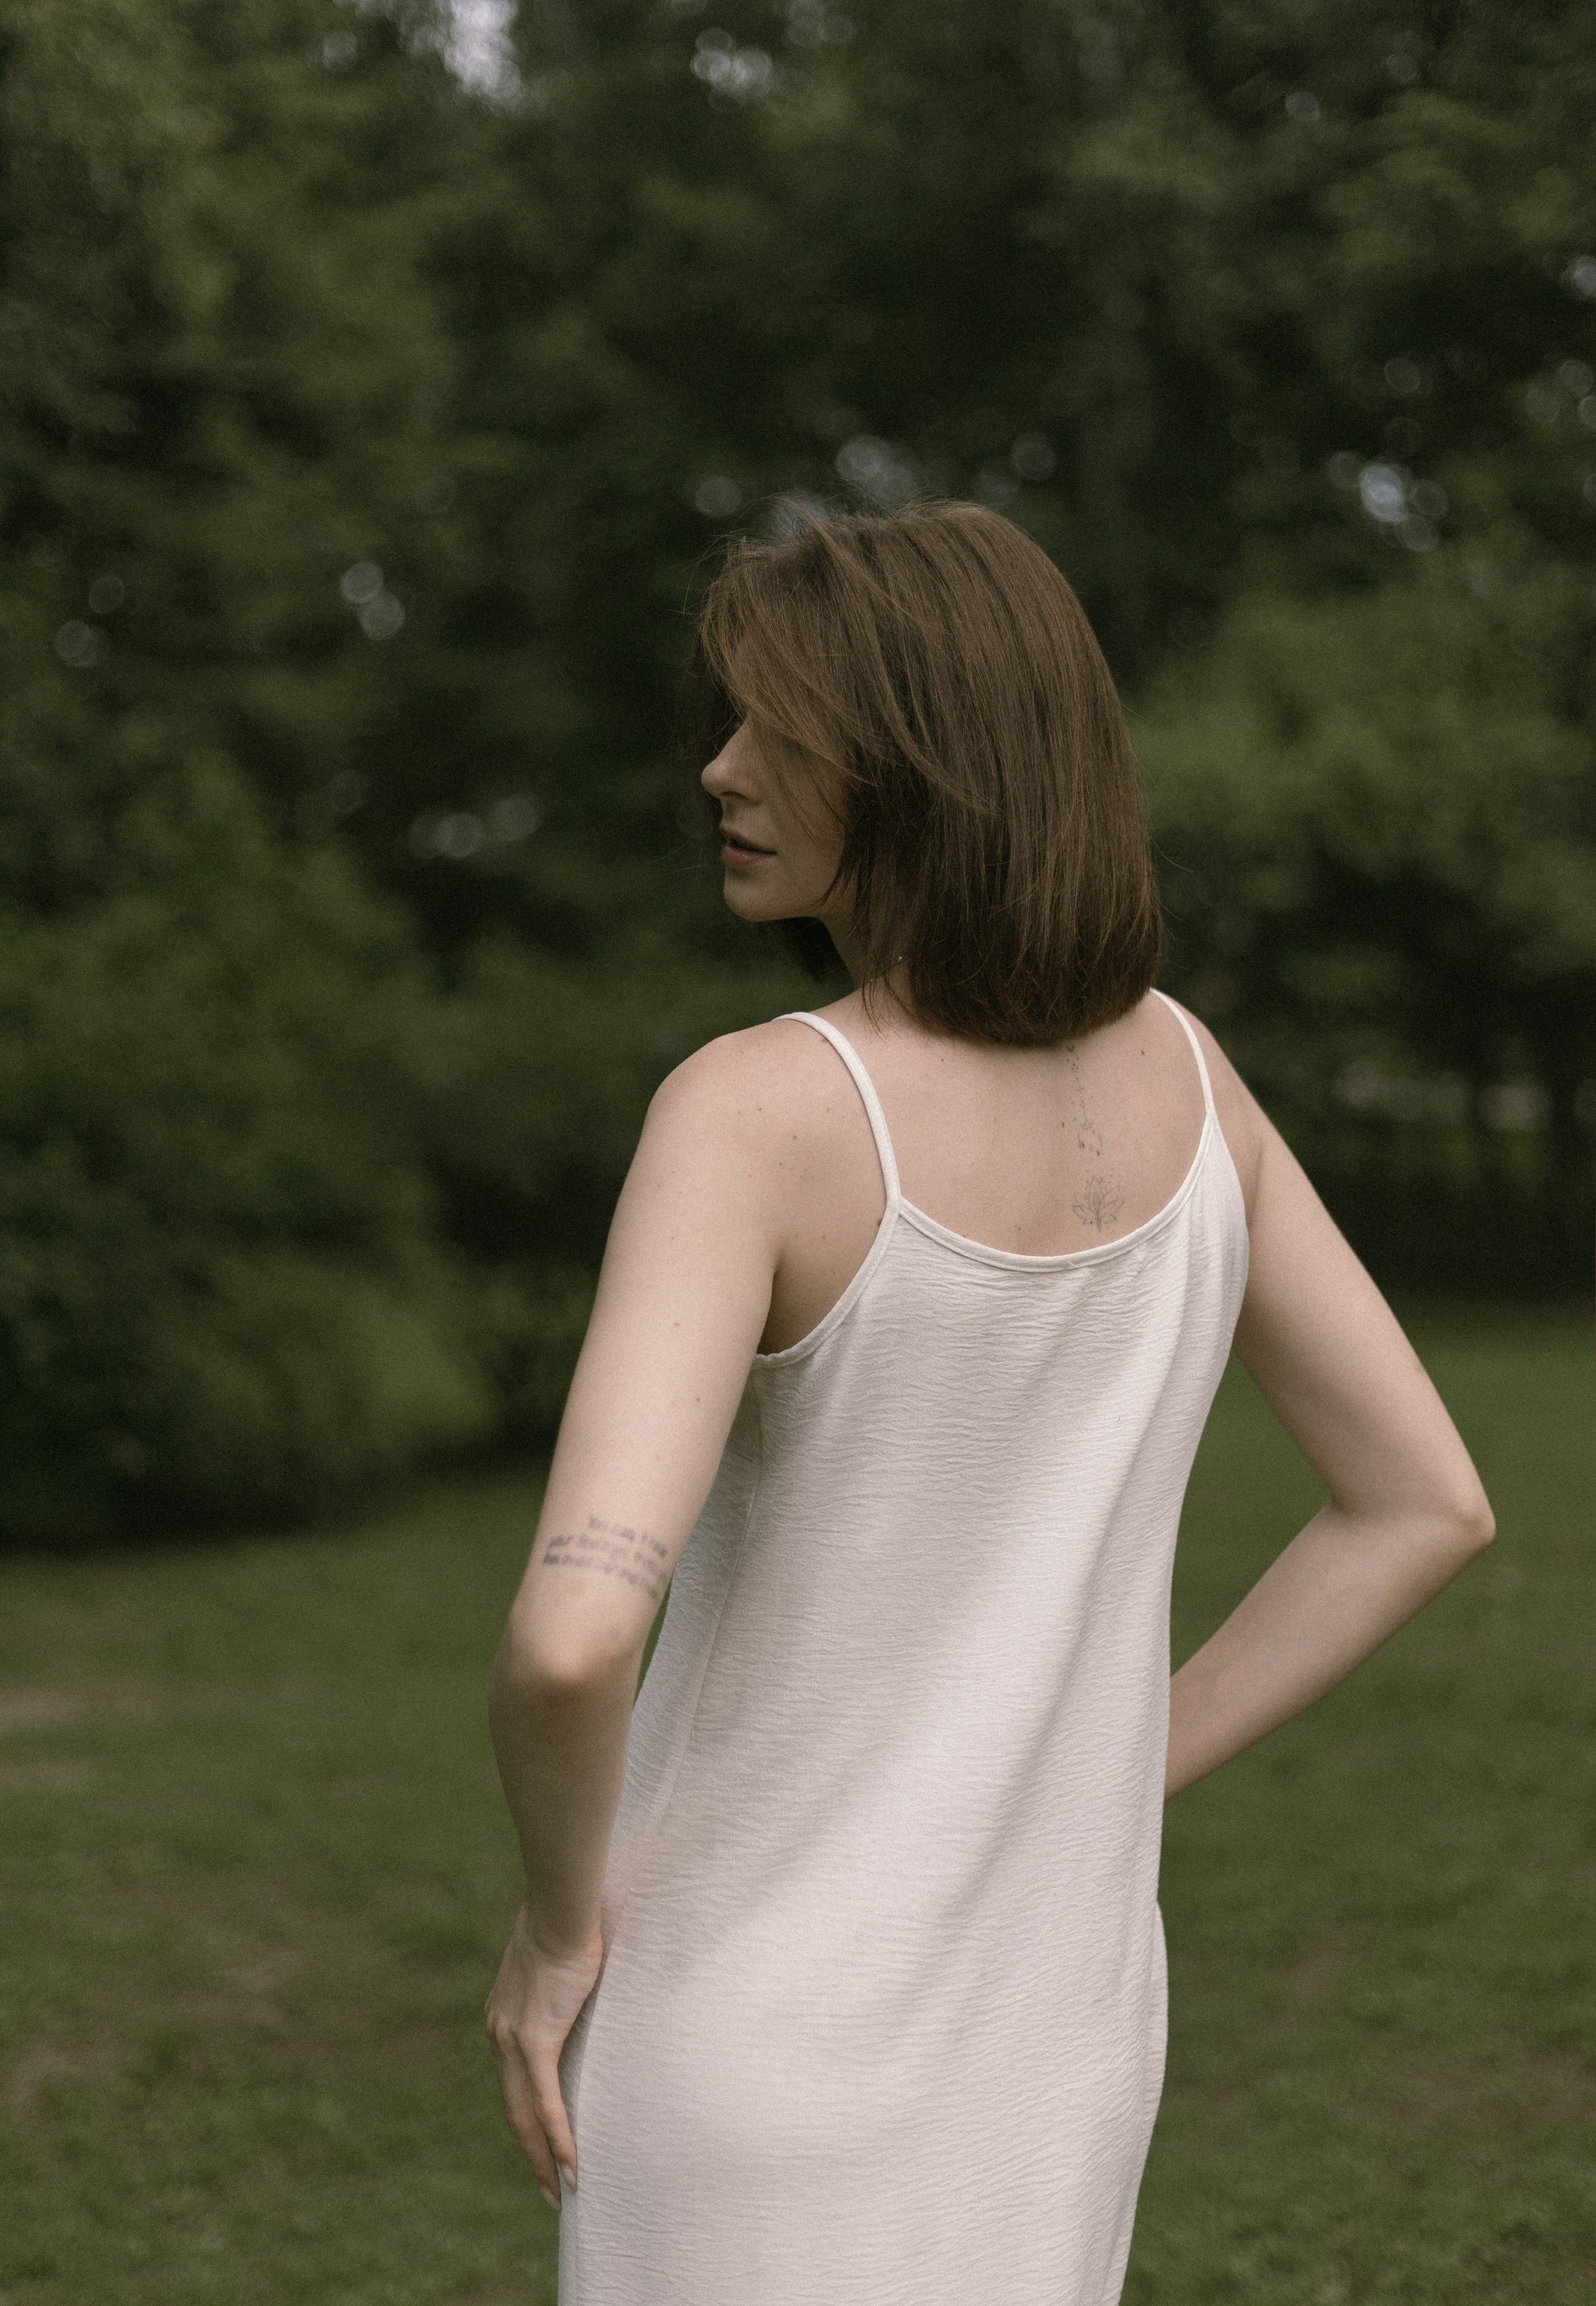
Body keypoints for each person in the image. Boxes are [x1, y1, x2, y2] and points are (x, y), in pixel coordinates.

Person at [485, 501, 1494, 2305]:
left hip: (751, 2032)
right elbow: (1425, 1501)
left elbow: (573, 1641)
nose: (720, 767)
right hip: (1061, 2036)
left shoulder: (753, 1111)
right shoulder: (1195, 1078)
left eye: (781, 727)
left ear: (925, 760)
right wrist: (1101, 1768)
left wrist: (558, 1934)